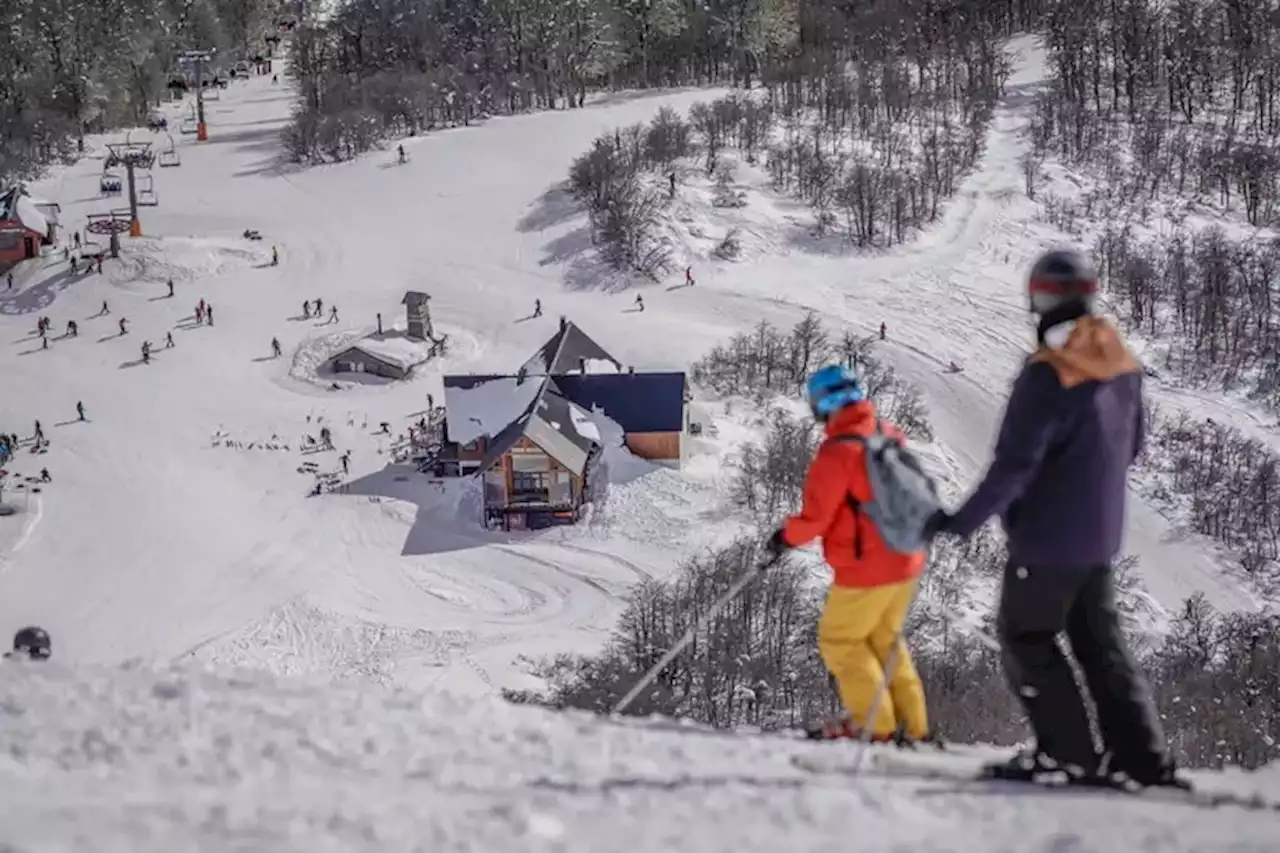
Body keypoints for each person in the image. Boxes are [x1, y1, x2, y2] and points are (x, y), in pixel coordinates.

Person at [926, 249, 1184, 791]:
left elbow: (1015, 464)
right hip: (1099, 536)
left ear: (1039, 299)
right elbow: (1133, 445)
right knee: (1099, 643)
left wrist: (960, 521)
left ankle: (1068, 755)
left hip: (1046, 540)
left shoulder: (1048, 373)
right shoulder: (1122, 364)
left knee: (1026, 636)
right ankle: (1141, 757)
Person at [765, 364, 931, 744]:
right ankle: (914, 725)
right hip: (907, 557)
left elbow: (815, 518)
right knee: (884, 640)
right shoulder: (886, 433)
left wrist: (782, 538)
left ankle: (876, 725)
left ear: (823, 404)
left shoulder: (838, 452)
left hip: (867, 565)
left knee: (839, 640)